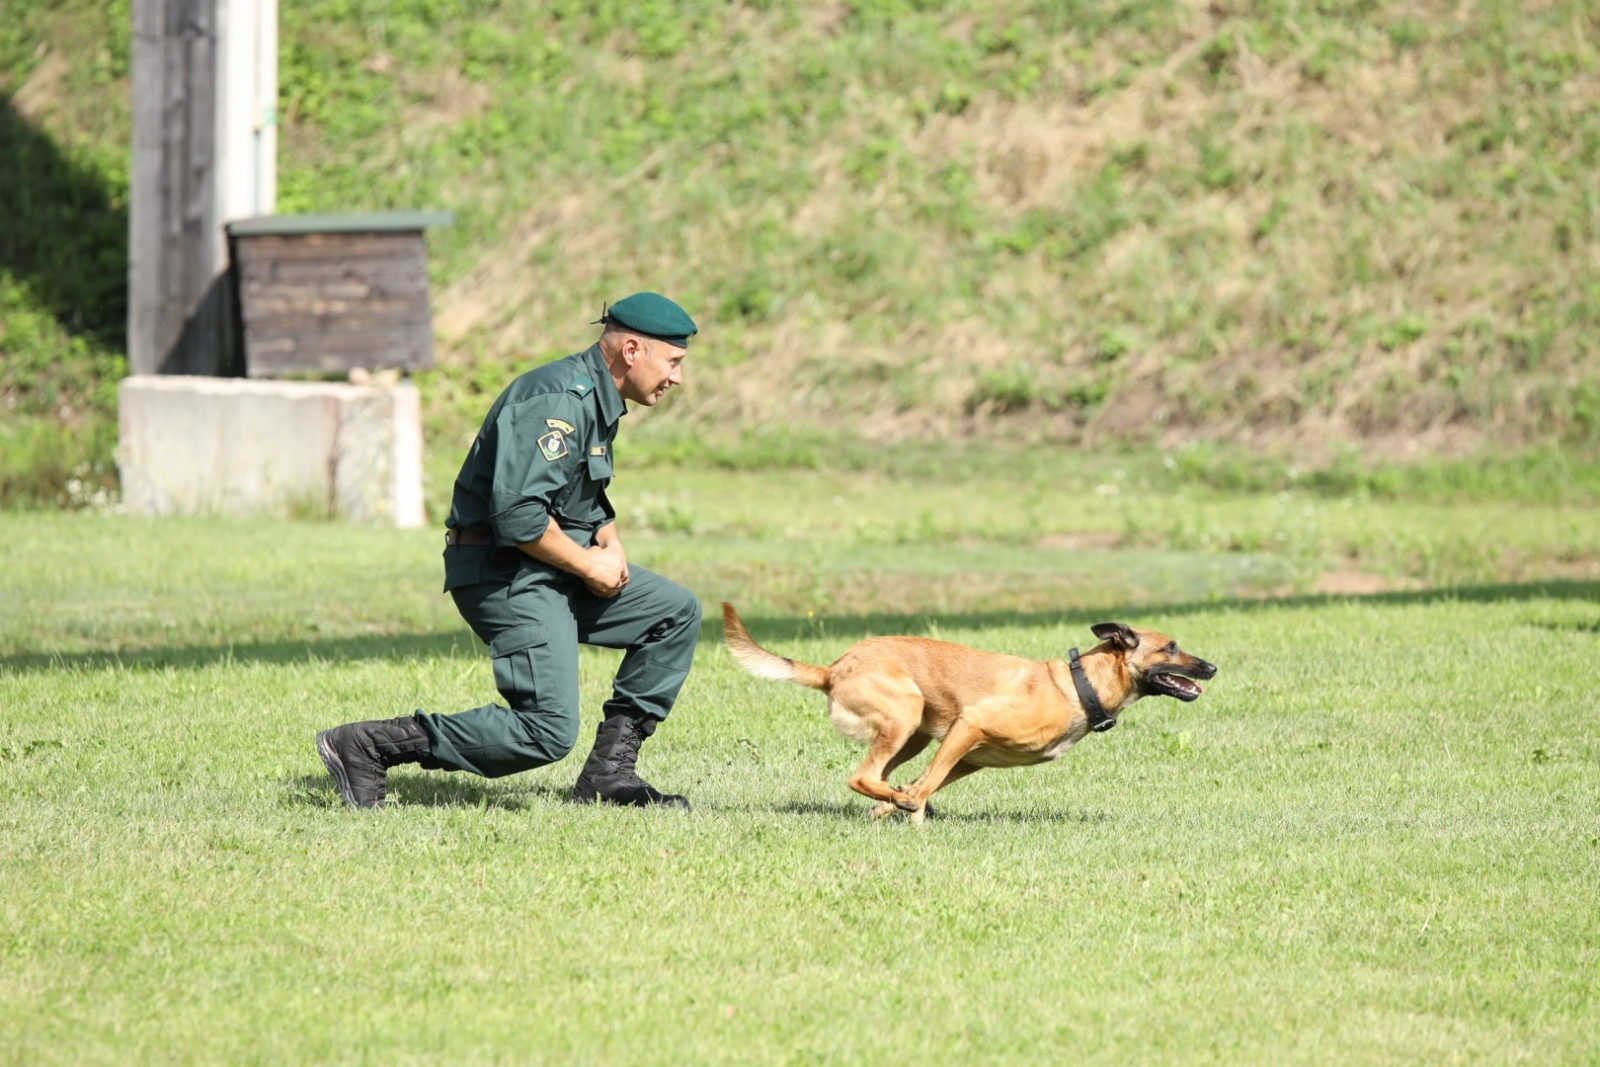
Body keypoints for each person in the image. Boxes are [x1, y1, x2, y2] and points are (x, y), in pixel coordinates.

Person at [315, 292, 704, 810]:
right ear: (632, 349)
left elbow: (576, 495)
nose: (677, 377)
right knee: (546, 730)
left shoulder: (598, 398)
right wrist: (588, 563)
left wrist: (608, 538)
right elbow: (517, 517)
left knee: (675, 613)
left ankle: (609, 776)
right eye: (673, 362)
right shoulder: (557, 401)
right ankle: (368, 745)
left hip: (547, 566)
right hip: (503, 573)